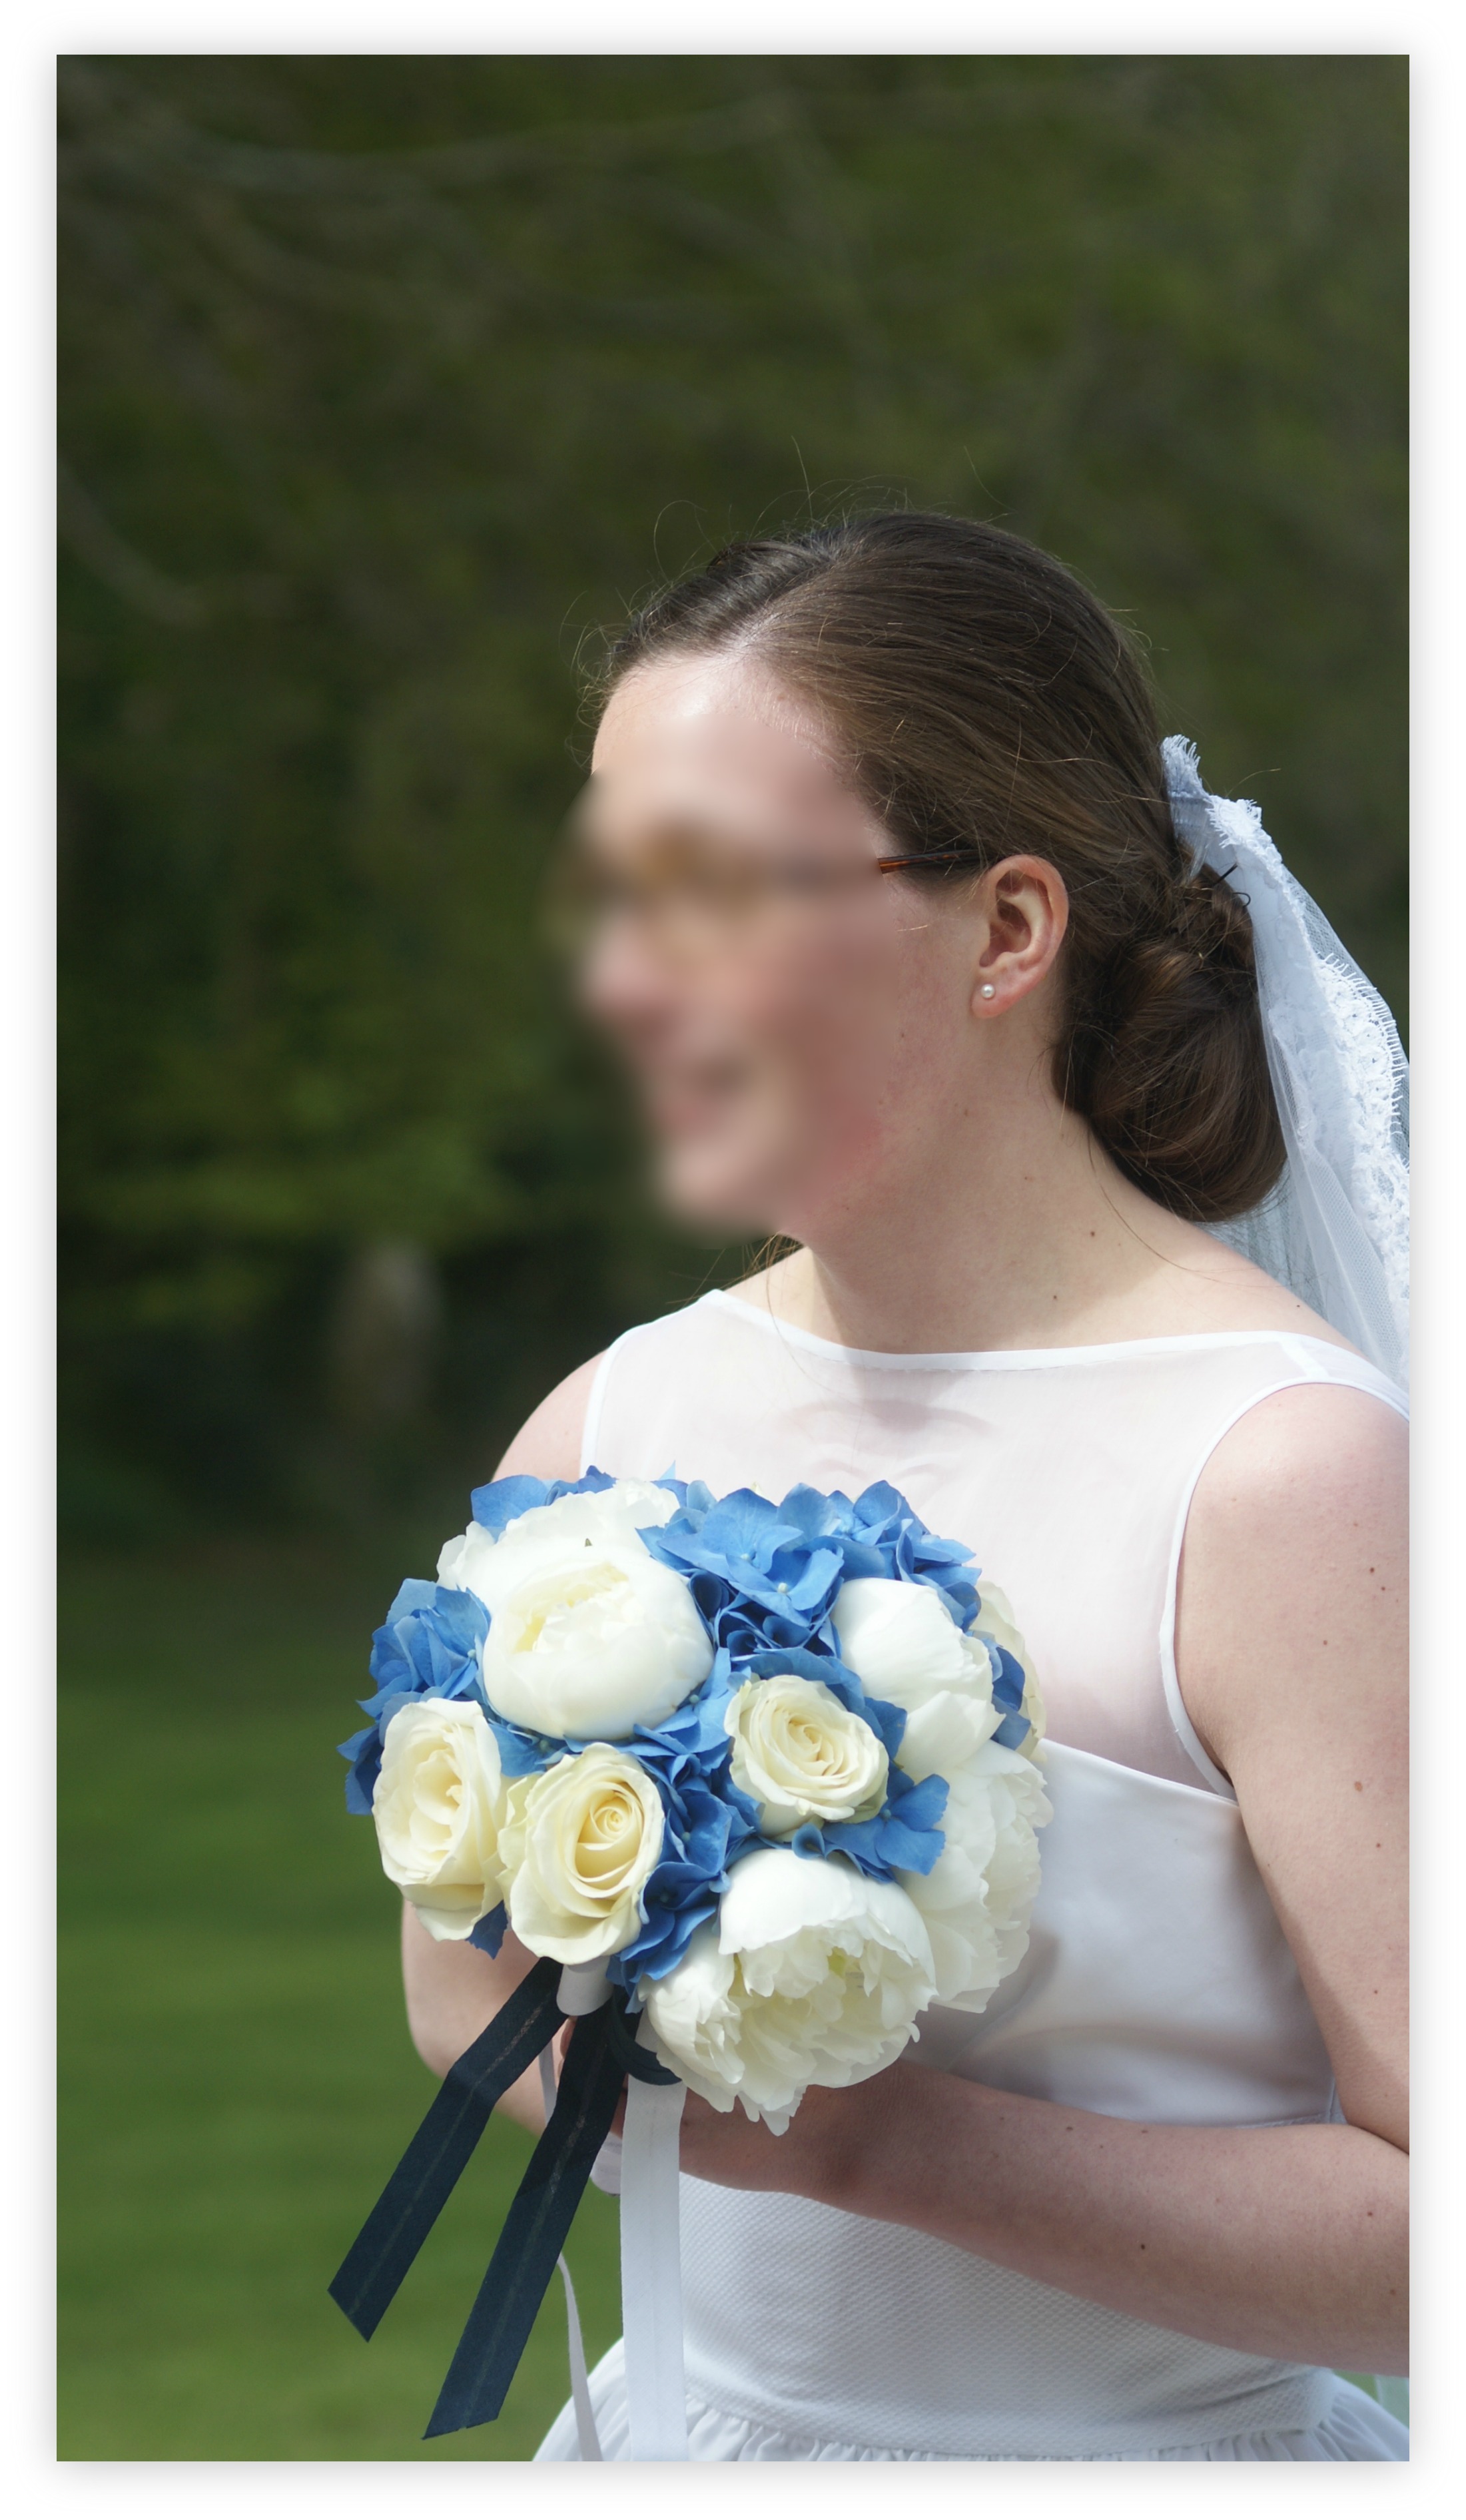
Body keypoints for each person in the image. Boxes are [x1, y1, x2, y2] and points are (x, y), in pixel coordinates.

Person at [402, 512, 1408, 2461]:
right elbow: (466, 2001)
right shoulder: (610, 1424)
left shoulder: (1278, 1476)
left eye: (705, 893)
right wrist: (668, 2065)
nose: (621, 979)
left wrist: (888, 2144)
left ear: (1007, 933)